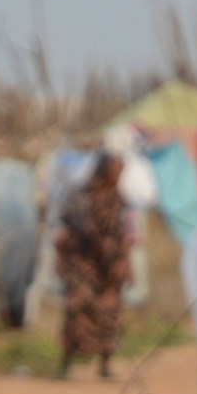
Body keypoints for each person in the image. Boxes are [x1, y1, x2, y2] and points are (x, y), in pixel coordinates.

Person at [55, 152, 130, 379]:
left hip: (109, 270)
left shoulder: (117, 198)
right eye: (115, 170)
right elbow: (72, 230)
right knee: (77, 311)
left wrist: (123, 262)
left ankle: (105, 365)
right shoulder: (82, 197)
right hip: (84, 267)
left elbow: (120, 234)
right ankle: (66, 364)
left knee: (109, 313)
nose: (118, 175)